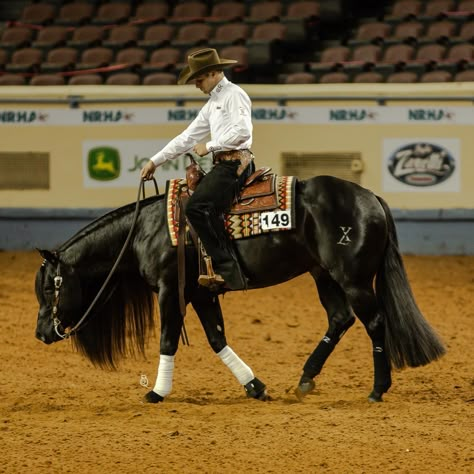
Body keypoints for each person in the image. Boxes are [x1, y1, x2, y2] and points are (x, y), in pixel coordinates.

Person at [140, 48, 256, 291]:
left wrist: (210, 145)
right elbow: (186, 137)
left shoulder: (234, 95)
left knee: (196, 207)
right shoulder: (213, 102)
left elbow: (243, 132)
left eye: (199, 79)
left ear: (214, 73)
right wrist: (155, 161)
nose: (196, 85)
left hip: (235, 163)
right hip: (225, 163)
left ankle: (228, 270)